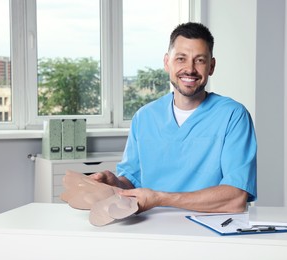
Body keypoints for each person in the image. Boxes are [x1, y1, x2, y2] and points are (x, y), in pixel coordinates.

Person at [90, 22, 257, 214]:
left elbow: (235, 198)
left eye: (200, 60)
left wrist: (160, 199)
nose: (190, 69)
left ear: (211, 66)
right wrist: (114, 183)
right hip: (151, 227)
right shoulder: (144, 117)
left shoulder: (233, 116)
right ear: (166, 62)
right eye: (181, 59)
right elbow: (133, 183)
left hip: (212, 229)